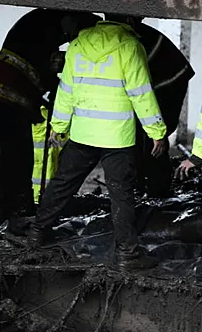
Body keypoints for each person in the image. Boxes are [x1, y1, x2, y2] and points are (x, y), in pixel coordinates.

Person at [28, 18, 168, 270]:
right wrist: (156, 131)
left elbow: (66, 90)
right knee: (120, 193)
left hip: (83, 131)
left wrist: (58, 127)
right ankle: (127, 254)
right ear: (128, 18)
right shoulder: (130, 46)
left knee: (63, 183)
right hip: (117, 136)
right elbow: (142, 93)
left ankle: (37, 233)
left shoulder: (78, 45)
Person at [0, 10, 100, 224]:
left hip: (5, 98)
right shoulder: (45, 27)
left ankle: (2, 207)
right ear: (70, 20)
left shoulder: (41, 23)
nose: (71, 39)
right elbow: (44, 67)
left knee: (4, 156)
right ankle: (18, 211)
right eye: (75, 33)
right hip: (10, 100)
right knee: (17, 156)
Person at [106, 15, 195, 197]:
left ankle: (157, 189)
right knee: (142, 138)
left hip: (170, 80)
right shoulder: (117, 36)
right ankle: (148, 184)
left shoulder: (129, 39)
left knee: (151, 142)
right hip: (161, 79)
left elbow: (142, 94)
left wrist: (157, 134)